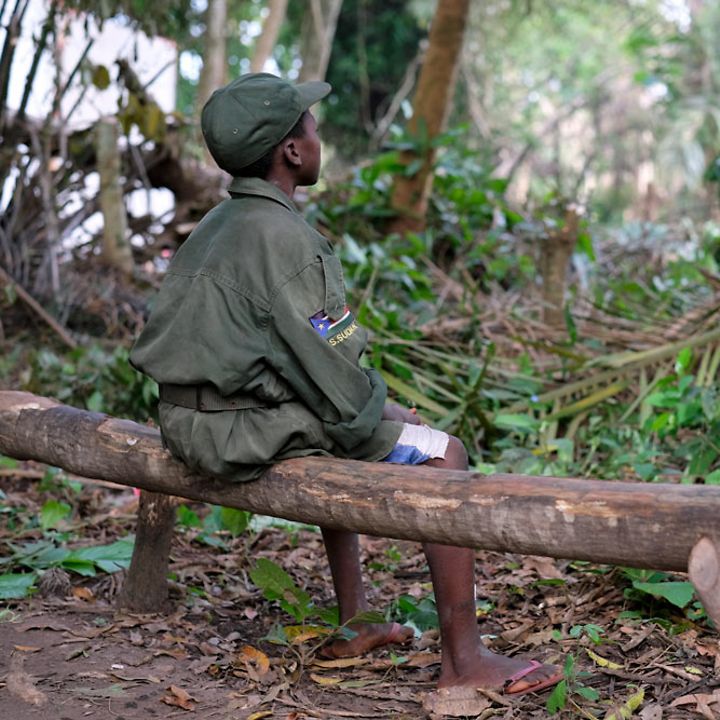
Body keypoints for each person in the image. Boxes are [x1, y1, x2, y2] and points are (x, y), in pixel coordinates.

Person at [130, 73, 562, 694]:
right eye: (311, 124)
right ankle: (465, 661)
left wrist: (375, 412)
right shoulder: (291, 242)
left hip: (185, 420)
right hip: (234, 434)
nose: (317, 132)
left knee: (349, 426)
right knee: (444, 453)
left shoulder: (215, 225)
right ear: (293, 152)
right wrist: (392, 416)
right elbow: (337, 382)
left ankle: (356, 621)